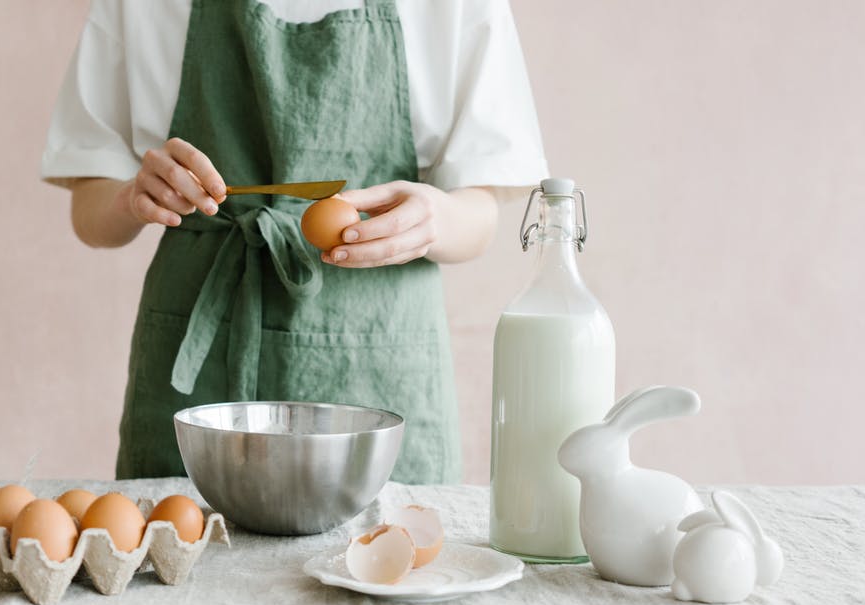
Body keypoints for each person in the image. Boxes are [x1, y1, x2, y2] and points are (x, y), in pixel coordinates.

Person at [41, 0, 547, 484]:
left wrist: (435, 219)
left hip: (379, 354)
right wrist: (132, 198)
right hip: (201, 363)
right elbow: (89, 209)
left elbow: (479, 212)